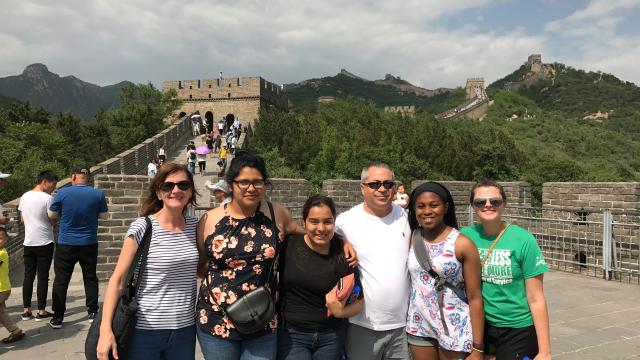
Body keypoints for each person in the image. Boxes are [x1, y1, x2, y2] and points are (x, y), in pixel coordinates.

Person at [195, 151, 357, 360]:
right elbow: (201, 267)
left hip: (263, 319)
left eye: (258, 182)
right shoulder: (209, 219)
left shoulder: (276, 214)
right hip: (217, 318)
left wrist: (343, 241)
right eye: (243, 182)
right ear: (231, 183)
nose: (251, 188)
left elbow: (311, 233)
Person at [97, 163, 199, 360]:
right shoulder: (143, 227)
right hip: (145, 330)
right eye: (168, 186)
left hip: (185, 330)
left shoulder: (196, 226)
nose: (176, 190)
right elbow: (117, 281)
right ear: (159, 193)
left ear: (190, 191)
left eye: (183, 185)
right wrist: (105, 330)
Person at [461, 180, 551, 360]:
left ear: (504, 204)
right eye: (480, 202)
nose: (488, 205)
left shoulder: (523, 240)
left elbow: (536, 297)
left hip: (517, 327)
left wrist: (545, 351)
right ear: (473, 205)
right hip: (480, 325)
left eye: (495, 201)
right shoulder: (465, 236)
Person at [335, 163, 411, 360]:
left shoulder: (407, 219)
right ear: (362, 188)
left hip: (403, 326)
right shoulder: (345, 222)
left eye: (388, 183)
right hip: (362, 324)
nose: (382, 189)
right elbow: (318, 239)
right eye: (375, 184)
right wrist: (341, 240)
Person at [278, 195, 363, 360]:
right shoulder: (288, 246)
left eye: (328, 221)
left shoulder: (344, 254)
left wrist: (341, 311)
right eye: (314, 221)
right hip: (292, 335)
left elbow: (359, 301)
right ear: (304, 222)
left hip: (330, 337)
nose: (321, 228)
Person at [405, 182, 484, 360]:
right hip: (420, 325)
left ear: (445, 207)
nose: (427, 211)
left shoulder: (462, 244)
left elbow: (475, 296)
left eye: (434, 205)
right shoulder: (413, 238)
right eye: (421, 206)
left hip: (455, 326)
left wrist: (478, 348)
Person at [47, 165, 109, 329]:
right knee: (90, 277)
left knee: (61, 280)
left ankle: (58, 317)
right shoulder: (97, 194)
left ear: (73, 177)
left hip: (66, 242)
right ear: (87, 178)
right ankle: (92, 312)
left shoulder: (62, 193)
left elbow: (52, 215)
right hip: (89, 242)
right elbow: (103, 216)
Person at [19, 170, 59, 322]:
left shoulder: (25, 196)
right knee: (43, 277)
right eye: (53, 184)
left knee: (28, 276)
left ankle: (26, 311)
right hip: (44, 242)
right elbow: (53, 219)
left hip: (28, 242)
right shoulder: (48, 199)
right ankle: (41, 311)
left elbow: (22, 219)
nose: (53, 188)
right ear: (45, 182)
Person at [0, 171, 25, 344]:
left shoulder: (2, 253)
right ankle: (15, 331)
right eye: (1, 181)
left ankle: (15, 331)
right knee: (1, 310)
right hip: (3, 288)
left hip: (2, 287)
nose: (3, 184)